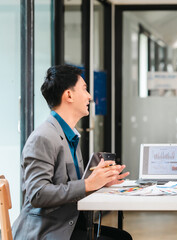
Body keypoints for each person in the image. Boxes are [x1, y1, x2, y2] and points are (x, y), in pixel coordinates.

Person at [12, 65, 132, 240]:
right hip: (46, 230)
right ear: (68, 95)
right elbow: (38, 194)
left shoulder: (69, 135)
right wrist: (88, 184)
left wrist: (99, 181)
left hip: (68, 223)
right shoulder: (43, 137)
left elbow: (70, 187)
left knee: (122, 237)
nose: (90, 96)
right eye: (84, 89)